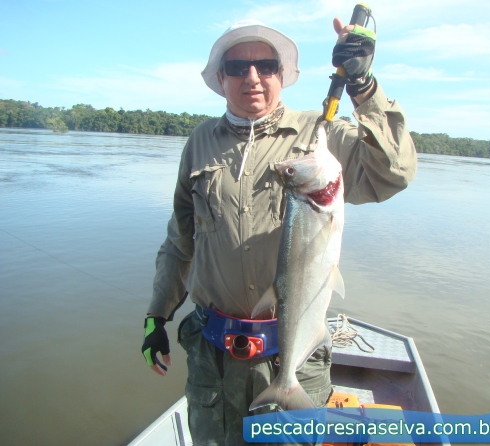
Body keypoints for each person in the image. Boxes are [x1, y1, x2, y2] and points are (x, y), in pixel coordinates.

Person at [141, 16, 417, 446]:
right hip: (213, 359)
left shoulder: (321, 134)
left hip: (294, 356)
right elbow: (180, 241)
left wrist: (363, 86)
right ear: (220, 78)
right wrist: (157, 315)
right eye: (237, 67)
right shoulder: (200, 142)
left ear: (282, 74)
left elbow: (393, 174)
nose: (252, 77)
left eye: (266, 65)